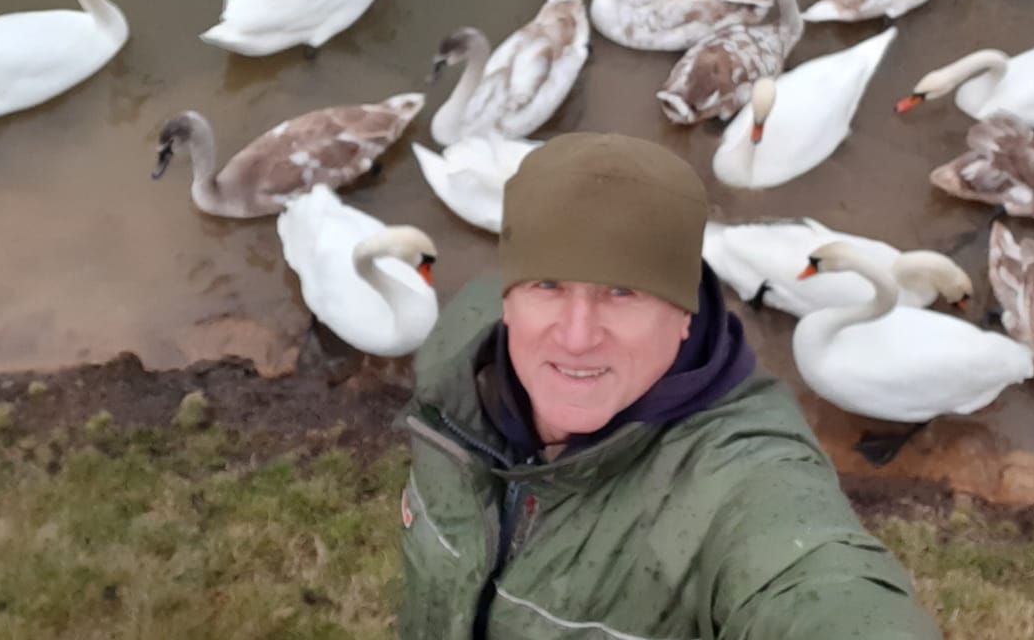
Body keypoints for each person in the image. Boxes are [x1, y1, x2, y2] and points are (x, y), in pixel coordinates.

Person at [398, 131, 941, 638]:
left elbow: (815, 580)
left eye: (623, 293)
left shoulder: (734, 475)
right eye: (548, 285)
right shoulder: (459, 353)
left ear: (685, 314)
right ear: (507, 300)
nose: (577, 336)